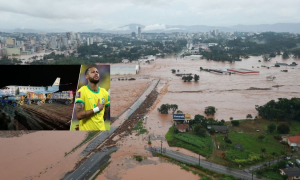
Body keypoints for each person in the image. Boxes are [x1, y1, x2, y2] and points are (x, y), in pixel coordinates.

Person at [75, 66, 110, 131]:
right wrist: (97, 109)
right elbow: (79, 115)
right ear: (86, 76)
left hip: (101, 132)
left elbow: (104, 117)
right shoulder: (81, 91)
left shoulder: (105, 93)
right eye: (93, 72)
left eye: (97, 72)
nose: (96, 73)